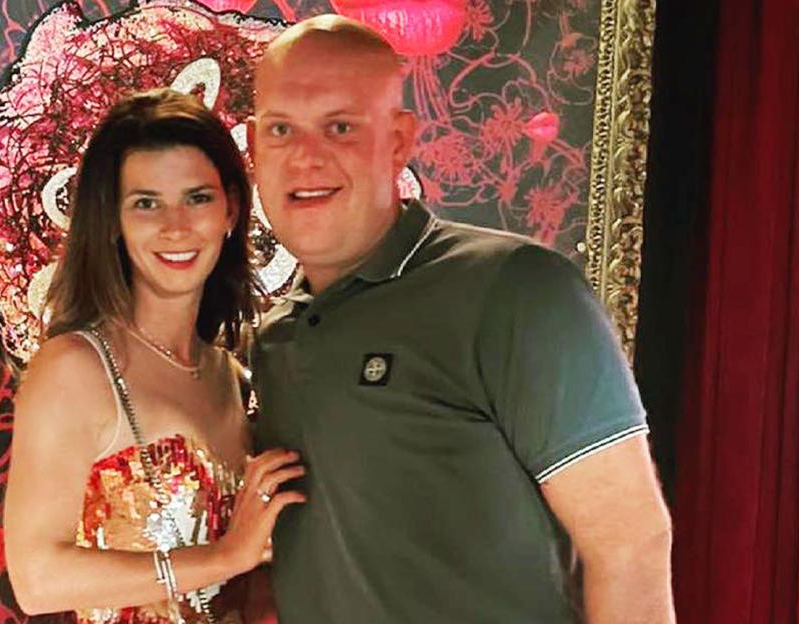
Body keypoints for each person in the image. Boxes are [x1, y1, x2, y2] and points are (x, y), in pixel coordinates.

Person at [246, 16, 675, 623]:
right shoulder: (274, 340)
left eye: (340, 127)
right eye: (281, 129)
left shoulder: (517, 291)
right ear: (253, 145)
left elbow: (630, 544)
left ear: (399, 141)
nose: (305, 157)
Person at [4, 88, 302, 624]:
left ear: (231, 209)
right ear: (112, 221)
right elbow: (37, 580)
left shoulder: (231, 376)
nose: (176, 226)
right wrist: (224, 557)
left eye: (197, 198)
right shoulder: (74, 368)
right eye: (146, 203)